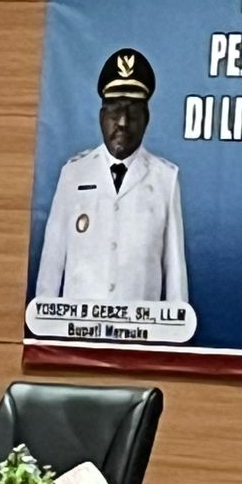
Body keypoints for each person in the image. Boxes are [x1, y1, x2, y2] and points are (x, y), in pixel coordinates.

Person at [36, 48, 188, 302]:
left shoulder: (165, 179)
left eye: (133, 112)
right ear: (101, 116)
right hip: (81, 323)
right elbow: (52, 262)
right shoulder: (74, 174)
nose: (123, 122)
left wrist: (177, 320)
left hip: (139, 324)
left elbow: (174, 271)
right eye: (115, 111)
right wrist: (42, 318)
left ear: (147, 118)